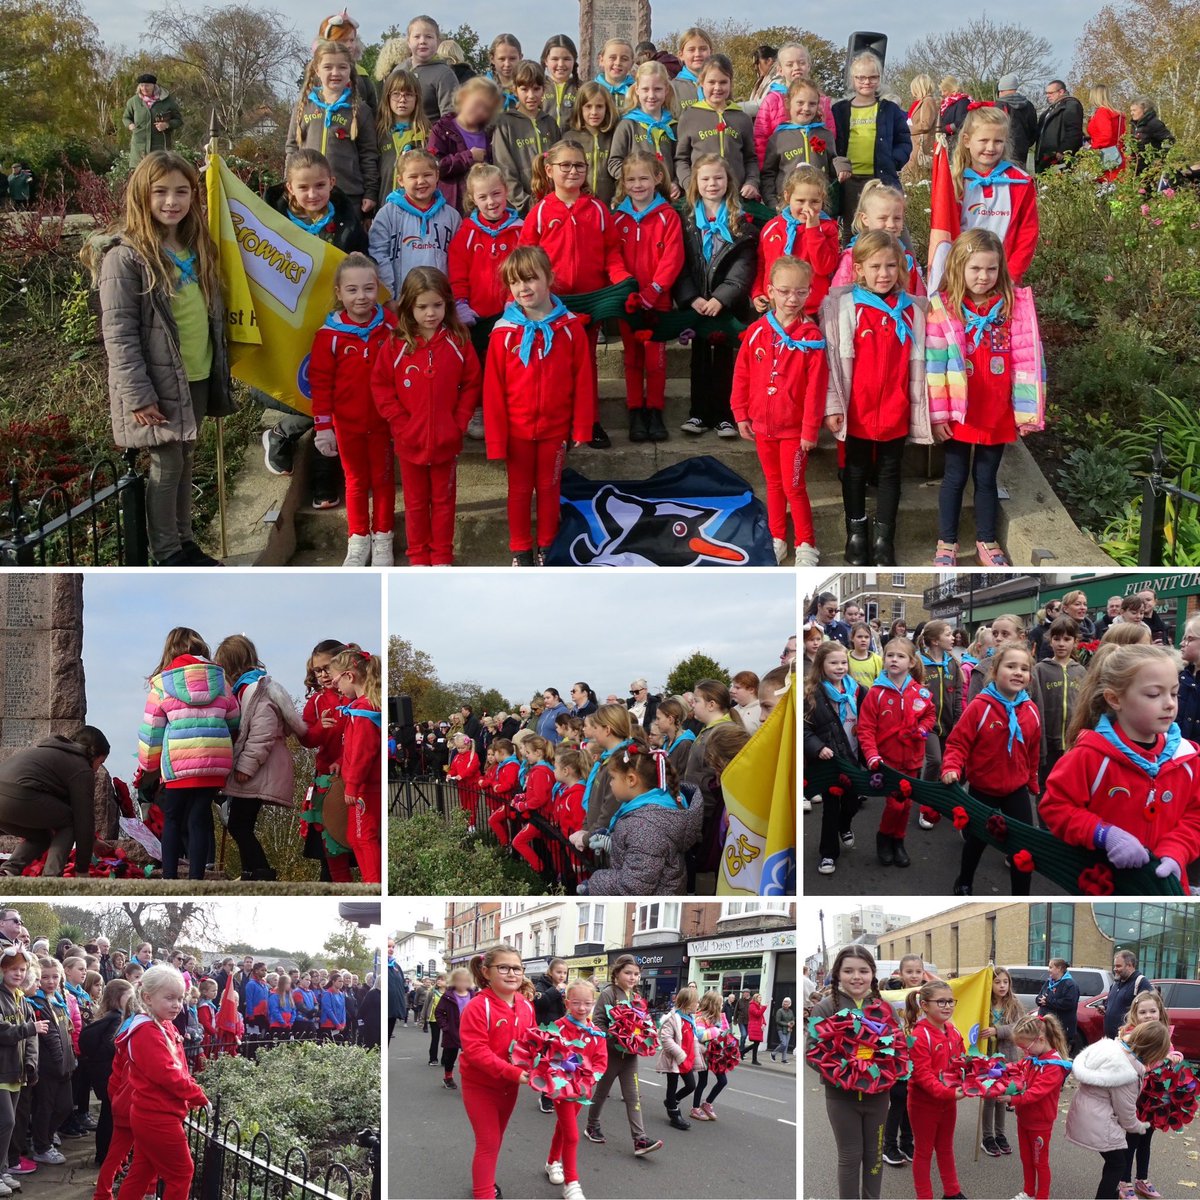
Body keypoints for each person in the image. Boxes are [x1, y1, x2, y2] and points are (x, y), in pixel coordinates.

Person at [83, 151, 233, 567]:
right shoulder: (125, 257)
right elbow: (119, 334)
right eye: (161, 192)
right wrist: (138, 394)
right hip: (156, 383)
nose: (172, 201)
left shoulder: (195, 246)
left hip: (196, 373)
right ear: (142, 196)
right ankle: (167, 552)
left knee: (185, 460)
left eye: (182, 191)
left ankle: (185, 542)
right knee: (166, 465)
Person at [927, 228, 1044, 566]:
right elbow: (934, 365)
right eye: (975, 269)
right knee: (954, 475)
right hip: (960, 412)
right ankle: (946, 541)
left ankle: (986, 539)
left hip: (996, 409)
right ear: (959, 267)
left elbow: (1028, 359)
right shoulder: (944, 307)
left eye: (991, 269)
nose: (983, 276)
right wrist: (938, 415)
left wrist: (1026, 411)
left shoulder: (1013, 305)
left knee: (987, 477)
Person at [1041, 643, 1200, 886]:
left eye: (1174, 693)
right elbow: (1055, 808)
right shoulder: (1088, 756)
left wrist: (1177, 850)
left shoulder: (1186, 758)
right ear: (1114, 699)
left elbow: (1195, 816)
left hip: (1167, 887)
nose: (1170, 703)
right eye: (1154, 694)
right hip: (1108, 885)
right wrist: (1104, 834)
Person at [484, 244, 595, 566]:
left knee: (549, 489)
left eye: (530, 279)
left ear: (549, 278)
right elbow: (492, 391)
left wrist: (582, 425)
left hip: (554, 430)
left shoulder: (571, 329)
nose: (523, 288)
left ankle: (548, 546)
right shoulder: (503, 333)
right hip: (516, 432)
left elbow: (583, 382)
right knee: (519, 492)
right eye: (515, 282)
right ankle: (521, 550)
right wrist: (496, 439)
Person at [823, 231, 929, 567]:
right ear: (858, 270)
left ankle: (884, 538)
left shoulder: (914, 311)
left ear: (901, 267)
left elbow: (922, 363)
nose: (884, 273)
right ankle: (855, 534)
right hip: (857, 407)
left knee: (889, 470)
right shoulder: (843, 307)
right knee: (854, 470)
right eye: (875, 266)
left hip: (896, 406)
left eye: (891, 266)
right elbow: (830, 364)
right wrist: (833, 406)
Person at [372, 265, 481, 567]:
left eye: (437, 305)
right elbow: (381, 386)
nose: (430, 313)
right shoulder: (397, 344)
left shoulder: (458, 341)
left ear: (447, 303)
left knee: (444, 503)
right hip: (409, 444)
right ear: (409, 306)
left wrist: (459, 421)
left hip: (446, 443)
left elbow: (472, 383)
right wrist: (400, 423)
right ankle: (418, 556)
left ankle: (442, 555)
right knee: (416, 504)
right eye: (422, 307)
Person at [735, 254, 828, 567]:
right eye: (785, 291)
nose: (793, 298)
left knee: (794, 486)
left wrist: (809, 430)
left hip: (794, 432)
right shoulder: (757, 332)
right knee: (773, 484)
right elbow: (742, 373)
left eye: (801, 292)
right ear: (770, 290)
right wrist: (741, 413)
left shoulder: (812, 339)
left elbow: (817, 389)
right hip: (762, 427)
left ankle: (806, 543)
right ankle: (777, 538)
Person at [138, 628, 238, 880]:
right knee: (200, 820)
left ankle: (169, 876)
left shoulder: (163, 684)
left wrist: (149, 766)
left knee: (172, 819)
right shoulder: (221, 680)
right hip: (214, 762)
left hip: (178, 763)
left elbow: (152, 731)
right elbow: (235, 720)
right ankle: (196, 877)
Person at [675, 153, 758, 439]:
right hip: (697, 305)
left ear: (728, 181)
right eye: (706, 178)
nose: (712, 184)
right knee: (699, 361)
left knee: (725, 361)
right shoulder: (685, 221)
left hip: (726, 306)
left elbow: (744, 265)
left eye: (718, 178)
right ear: (695, 183)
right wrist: (691, 298)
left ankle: (724, 415)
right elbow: (680, 263)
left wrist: (722, 298)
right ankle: (698, 413)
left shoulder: (741, 221)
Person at [110, 966, 210, 1200]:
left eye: (180, 998)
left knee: (142, 1172)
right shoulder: (147, 1031)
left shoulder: (162, 1025)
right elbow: (167, 1073)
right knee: (182, 1173)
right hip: (157, 1115)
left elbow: (179, 1067)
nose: (177, 1004)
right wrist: (196, 1094)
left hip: (154, 1112)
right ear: (147, 998)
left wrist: (190, 1089)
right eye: (169, 998)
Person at [807, 947, 899, 1198]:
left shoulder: (886, 1009)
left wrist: (882, 1065)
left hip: (878, 1096)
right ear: (838, 974)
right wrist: (846, 1070)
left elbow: (899, 1048)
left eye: (863, 971)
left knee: (874, 1157)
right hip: (841, 1098)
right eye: (848, 971)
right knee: (849, 1156)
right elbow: (812, 1052)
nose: (856, 977)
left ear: (872, 974)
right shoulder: (824, 1009)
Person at [213, 634, 305, 882]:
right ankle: (251, 871)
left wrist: (246, 765)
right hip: (260, 766)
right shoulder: (249, 688)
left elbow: (262, 733)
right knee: (241, 822)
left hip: (259, 767)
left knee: (239, 823)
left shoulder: (256, 690)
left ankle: (260, 871)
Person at [611, 151, 684, 443]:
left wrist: (655, 289)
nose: (638, 184)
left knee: (655, 360)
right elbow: (612, 255)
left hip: (657, 301)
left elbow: (673, 256)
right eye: (631, 179)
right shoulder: (617, 218)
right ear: (623, 183)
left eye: (644, 178)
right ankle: (634, 411)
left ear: (657, 178)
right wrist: (626, 288)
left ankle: (655, 409)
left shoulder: (668, 216)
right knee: (632, 358)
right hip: (629, 302)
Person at [929, 106, 1039, 293]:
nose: (990, 147)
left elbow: (1028, 233)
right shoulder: (954, 181)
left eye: (998, 141)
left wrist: (1011, 275)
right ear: (967, 140)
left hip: (1002, 277)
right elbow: (946, 231)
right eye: (984, 140)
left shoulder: (1019, 182)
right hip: (961, 275)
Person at [458, 945, 536, 1199]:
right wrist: (514, 1073)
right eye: (503, 967)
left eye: (517, 968)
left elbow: (534, 1042)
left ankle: (486, 1181)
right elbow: (476, 1051)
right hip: (480, 1086)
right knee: (488, 1142)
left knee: (496, 1138)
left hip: (508, 1087)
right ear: (486, 972)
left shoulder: (526, 1006)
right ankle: (484, 1192)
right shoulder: (478, 1007)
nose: (512, 973)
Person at [1066, 1021, 1168, 1200]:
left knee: (1114, 1160)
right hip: (1097, 1120)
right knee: (1118, 1164)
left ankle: (1110, 1193)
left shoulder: (1113, 1049)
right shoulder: (1127, 1073)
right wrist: (1139, 1126)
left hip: (1083, 1111)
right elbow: (1126, 1113)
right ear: (1152, 1052)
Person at [583, 743, 702, 895]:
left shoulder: (645, 825)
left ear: (631, 780)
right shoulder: (649, 817)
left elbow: (634, 886)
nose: (611, 783)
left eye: (612, 778)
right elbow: (643, 853)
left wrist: (596, 882)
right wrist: (612, 842)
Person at [857, 637, 936, 868]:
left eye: (900, 656)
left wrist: (922, 729)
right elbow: (865, 728)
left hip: (912, 759)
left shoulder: (920, 692)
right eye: (890, 655)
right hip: (886, 761)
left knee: (907, 804)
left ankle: (898, 841)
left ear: (911, 662)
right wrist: (872, 755)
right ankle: (884, 838)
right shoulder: (876, 693)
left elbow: (930, 715)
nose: (894, 659)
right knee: (895, 804)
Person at [0, 726, 110, 877]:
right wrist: (82, 870)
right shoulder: (81, 768)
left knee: (42, 837)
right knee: (71, 821)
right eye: (101, 762)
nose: (97, 769)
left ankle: (8, 871)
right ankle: (51, 877)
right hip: (19, 796)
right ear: (93, 754)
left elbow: (60, 807)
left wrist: (93, 840)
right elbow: (83, 818)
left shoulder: (52, 754)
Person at [287, 39, 379, 215]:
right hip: (308, 196)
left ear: (350, 70)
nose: (335, 73)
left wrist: (370, 192)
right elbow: (292, 147)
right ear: (317, 70)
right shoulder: (303, 106)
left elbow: (369, 155)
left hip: (348, 197)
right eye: (328, 67)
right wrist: (289, 183)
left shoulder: (360, 110)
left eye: (342, 67)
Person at [586, 955, 663, 1157]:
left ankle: (640, 1139)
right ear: (617, 973)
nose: (632, 977)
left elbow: (644, 1022)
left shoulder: (636, 997)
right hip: (610, 1055)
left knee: (633, 1097)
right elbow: (598, 1023)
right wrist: (616, 1037)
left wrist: (646, 1035)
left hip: (630, 1057)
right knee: (601, 1094)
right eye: (628, 973)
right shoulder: (608, 994)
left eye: (636, 974)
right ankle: (591, 1125)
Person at [804, 640, 865, 876]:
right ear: (821, 664)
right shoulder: (812, 694)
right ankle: (828, 853)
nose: (840, 667)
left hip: (853, 757)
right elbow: (804, 729)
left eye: (843, 662)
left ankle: (845, 825)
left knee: (852, 802)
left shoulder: (857, 690)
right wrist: (817, 747)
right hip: (829, 762)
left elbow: (870, 720)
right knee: (830, 809)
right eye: (833, 662)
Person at [831, 52, 912, 219]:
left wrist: (893, 160)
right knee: (851, 224)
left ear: (879, 78)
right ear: (853, 79)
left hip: (880, 177)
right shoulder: (839, 110)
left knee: (888, 223)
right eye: (861, 78)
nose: (867, 82)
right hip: (849, 180)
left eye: (872, 77)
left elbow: (904, 140)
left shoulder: (889, 109)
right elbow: (832, 141)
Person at [906, 980, 966, 1200]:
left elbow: (961, 1061)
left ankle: (952, 1192)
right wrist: (949, 1093)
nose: (947, 1006)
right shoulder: (919, 1036)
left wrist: (972, 1078)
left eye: (950, 1001)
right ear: (924, 1005)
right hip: (924, 1104)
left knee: (945, 1148)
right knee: (923, 1153)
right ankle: (924, 1196)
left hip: (948, 1102)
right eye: (941, 1001)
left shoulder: (953, 1030)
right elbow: (922, 1076)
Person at [1120, 991, 1180, 1198]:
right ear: (1135, 1014)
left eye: (1152, 1011)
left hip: (1155, 1101)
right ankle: (1124, 1182)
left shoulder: (1164, 1033)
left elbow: (1171, 1052)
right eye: (1142, 1012)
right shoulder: (1130, 1035)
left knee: (1146, 1141)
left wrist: (1175, 1056)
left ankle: (1142, 1179)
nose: (1148, 1015)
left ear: (1160, 1012)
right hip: (1136, 1098)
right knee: (1131, 1141)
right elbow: (1132, 1062)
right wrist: (1160, 1061)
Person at [330, 647, 382, 883]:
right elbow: (354, 749)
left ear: (349, 676)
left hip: (364, 788)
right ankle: (370, 879)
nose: (335, 686)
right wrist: (342, 762)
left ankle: (373, 882)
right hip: (362, 785)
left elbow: (363, 753)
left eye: (336, 680)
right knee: (355, 835)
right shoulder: (361, 709)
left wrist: (352, 785)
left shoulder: (363, 711)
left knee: (364, 837)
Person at [674, 55, 759, 198]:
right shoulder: (689, 116)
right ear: (701, 82)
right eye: (711, 82)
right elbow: (681, 159)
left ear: (731, 82)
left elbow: (751, 159)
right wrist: (690, 184)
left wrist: (752, 182)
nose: (717, 88)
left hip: (736, 198)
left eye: (723, 82)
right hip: (700, 198)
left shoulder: (742, 118)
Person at [1009, 1011, 1072, 1200]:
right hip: (1024, 1118)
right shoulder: (1033, 1057)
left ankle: (1042, 1196)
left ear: (1041, 1040)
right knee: (1026, 1159)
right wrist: (999, 1070)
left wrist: (1011, 1099)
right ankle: (1028, 1192)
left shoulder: (1054, 1065)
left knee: (1040, 1162)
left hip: (1040, 1123)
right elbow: (1018, 1067)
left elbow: (1035, 1093)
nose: (1024, 1051)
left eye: (1025, 1047)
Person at [759, 83, 847, 215]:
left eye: (812, 104)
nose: (806, 108)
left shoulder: (825, 134)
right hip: (787, 207)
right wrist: (772, 203)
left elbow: (833, 167)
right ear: (788, 103)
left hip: (818, 206)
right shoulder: (778, 138)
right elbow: (768, 174)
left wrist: (843, 165)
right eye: (800, 103)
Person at [493, 60, 561, 218]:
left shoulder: (550, 123)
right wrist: (526, 204)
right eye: (524, 89)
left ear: (543, 90)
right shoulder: (505, 123)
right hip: (518, 210)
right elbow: (504, 169)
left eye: (536, 89)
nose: (531, 95)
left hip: (551, 207)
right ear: (515, 90)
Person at [428, 77, 502, 216]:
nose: (480, 111)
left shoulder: (490, 133)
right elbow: (434, 166)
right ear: (463, 97)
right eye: (477, 103)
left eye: (487, 108)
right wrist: (469, 157)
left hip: (483, 210)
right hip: (451, 207)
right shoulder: (442, 129)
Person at [753, 42, 835, 165]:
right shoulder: (772, 101)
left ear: (808, 66)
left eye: (801, 63)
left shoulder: (822, 101)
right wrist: (764, 177)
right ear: (780, 70)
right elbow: (760, 140)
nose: (796, 67)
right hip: (783, 173)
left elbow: (831, 137)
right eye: (790, 64)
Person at [608, 63, 681, 199]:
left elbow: (680, 160)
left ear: (666, 90)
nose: (651, 95)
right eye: (645, 89)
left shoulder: (673, 125)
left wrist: (677, 183)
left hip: (667, 198)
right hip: (635, 199)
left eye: (657, 89)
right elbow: (614, 163)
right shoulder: (627, 125)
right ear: (637, 90)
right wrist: (636, 182)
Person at [1031, 616, 1086, 788]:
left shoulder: (1081, 671)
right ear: (1050, 641)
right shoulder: (1040, 670)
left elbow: (1084, 706)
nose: (1061, 644)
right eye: (1057, 639)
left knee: (1068, 785)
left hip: (1072, 743)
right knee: (1046, 785)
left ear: (1075, 641)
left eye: (1067, 639)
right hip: (1047, 742)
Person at [979, 968, 1024, 1157]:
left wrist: (997, 1030)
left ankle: (1000, 1134)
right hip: (988, 1058)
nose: (1002, 985)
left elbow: (1019, 1026)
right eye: (998, 982)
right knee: (989, 1098)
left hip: (1007, 1059)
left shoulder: (1014, 1004)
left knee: (1002, 1097)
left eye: (1005, 982)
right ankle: (987, 1137)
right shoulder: (983, 1004)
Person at [564, 83, 618, 206]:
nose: (594, 112)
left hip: (609, 205)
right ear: (580, 108)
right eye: (588, 106)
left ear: (607, 108)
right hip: (577, 205)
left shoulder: (614, 136)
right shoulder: (570, 138)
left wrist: (618, 198)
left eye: (599, 106)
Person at [655, 985, 701, 1130]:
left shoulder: (690, 1019)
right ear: (687, 1002)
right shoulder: (673, 1019)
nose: (698, 1004)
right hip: (674, 1059)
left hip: (686, 1060)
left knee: (691, 1086)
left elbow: (692, 1039)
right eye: (696, 1001)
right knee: (672, 1085)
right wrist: (680, 1054)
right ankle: (674, 1114)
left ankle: (671, 1101)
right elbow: (666, 1039)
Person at [123, 74, 183, 166]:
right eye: (142, 85)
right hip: (139, 150)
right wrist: (130, 125)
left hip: (160, 149)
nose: (144, 88)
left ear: (154, 85)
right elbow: (126, 118)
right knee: (140, 178)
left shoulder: (167, 101)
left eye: (147, 85)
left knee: (159, 176)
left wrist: (167, 125)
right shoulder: (133, 101)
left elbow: (178, 120)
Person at [433, 966, 474, 1089]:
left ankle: (470, 1080)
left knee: (471, 1058)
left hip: (470, 1031)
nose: (462, 983)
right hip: (452, 1031)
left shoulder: (473, 995)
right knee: (450, 1057)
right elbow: (439, 1012)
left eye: (465, 980)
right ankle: (448, 1077)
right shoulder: (448, 996)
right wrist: (445, 1027)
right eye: (459, 980)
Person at [1104, 951, 1155, 1040]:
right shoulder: (1116, 983)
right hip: (1112, 1039)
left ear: (1130, 965)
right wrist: (1105, 1008)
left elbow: (1148, 1008)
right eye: (1114, 966)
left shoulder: (1141, 982)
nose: (1115, 969)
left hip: (1127, 1040)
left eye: (1118, 966)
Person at [1036, 80, 1085, 173]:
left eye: (1051, 93)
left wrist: (1064, 150)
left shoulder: (1071, 105)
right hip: (1045, 156)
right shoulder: (1050, 110)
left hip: (1058, 157)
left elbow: (1074, 131)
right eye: (1046, 93)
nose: (1048, 95)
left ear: (1061, 92)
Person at [1036, 958, 1081, 1047]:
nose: (1048, 970)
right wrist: (1039, 1000)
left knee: (1060, 1055)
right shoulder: (1049, 982)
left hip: (1061, 1030)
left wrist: (1048, 1001)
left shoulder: (1070, 984)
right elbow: (1039, 997)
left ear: (1059, 968)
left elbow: (1068, 1003)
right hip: (1046, 1028)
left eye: (1051, 967)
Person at [996, 75, 1039, 169]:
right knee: (1020, 177)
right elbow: (1034, 130)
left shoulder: (999, 106)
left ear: (1001, 90)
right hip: (1022, 150)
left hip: (1002, 150)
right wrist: (1026, 143)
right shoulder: (1029, 105)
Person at [1087, 85, 1127, 181]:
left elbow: (1106, 135)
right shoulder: (1117, 115)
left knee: (1105, 186)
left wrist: (1092, 148)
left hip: (1105, 155)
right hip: (1118, 155)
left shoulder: (1102, 112)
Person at [540, 34, 579, 129]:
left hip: (572, 142)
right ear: (546, 60)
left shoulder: (582, 89)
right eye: (555, 59)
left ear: (574, 60)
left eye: (566, 59)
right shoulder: (537, 88)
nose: (561, 64)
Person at [670, 26, 712, 112]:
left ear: (711, 52)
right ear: (681, 55)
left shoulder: (719, 84)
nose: (697, 54)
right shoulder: (672, 88)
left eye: (703, 49)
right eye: (691, 50)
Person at [903, 74, 938, 178]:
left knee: (909, 174)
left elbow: (926, 124)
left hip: (920, 145)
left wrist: (908, 129)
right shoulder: (923, 102)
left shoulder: (928, 102)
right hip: (915, 144)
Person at [1129, 98, 1174, 175]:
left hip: (1151, 169)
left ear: (1145, 109)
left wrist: (1160, 158)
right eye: (1131, 110)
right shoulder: (1135, 125)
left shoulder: (1154, 124)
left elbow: (1169, 140)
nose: (1131, 113)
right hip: (1137, 168)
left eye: (1134, 110)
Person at [746, 992, 767, 1066]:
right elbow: (757, 1014)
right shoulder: (752, 1006)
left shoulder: (759, 1006)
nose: (760, 999)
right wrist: (764, 1008)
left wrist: (764, 1023)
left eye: (761, 997)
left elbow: (761, 1016)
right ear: (755, 998)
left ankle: (743, 1052)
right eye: (759, 997)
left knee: (756, 1043)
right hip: (754, 1026)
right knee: (756, 1043)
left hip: (759, 1026)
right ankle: (754, 1060)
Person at [772, 996, 795, 1063]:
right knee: (784, 1043)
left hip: (788, 1029)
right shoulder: (780, 1011)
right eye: (784, 1003)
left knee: (786, 1044)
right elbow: (777, 1021)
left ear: (789, 1004)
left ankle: (784, 1059)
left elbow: (792, 1018)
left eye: (787, 1003)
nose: (785, 1004)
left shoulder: (790, 1011)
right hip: (781, 1029)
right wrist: (787, 1024)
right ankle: (773, 1053)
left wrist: (792, 1023)